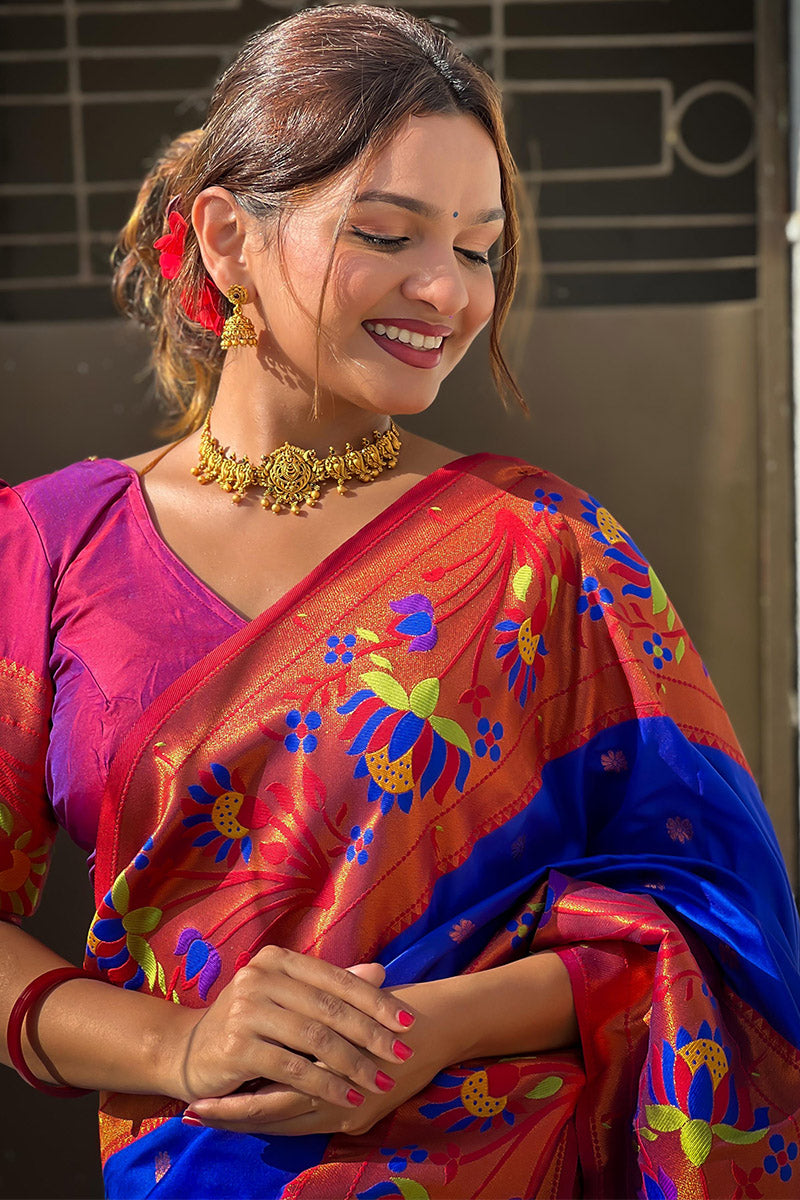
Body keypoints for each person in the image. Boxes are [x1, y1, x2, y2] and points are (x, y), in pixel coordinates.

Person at [2, 6, 799, 1198]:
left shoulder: (542, 546)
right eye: (387, 234)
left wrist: (433, 1029)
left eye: (479, 249)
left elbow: (714, 924)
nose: (448, 292)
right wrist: (179, 1046)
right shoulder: (51, 548)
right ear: (224, 237)